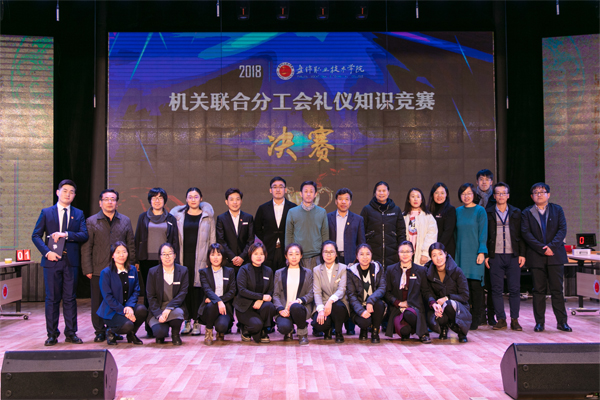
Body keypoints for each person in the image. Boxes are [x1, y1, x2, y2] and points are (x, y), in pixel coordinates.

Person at [32, 179, 89, 346]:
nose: (68, 194)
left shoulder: (78, 213)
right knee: (52, 299)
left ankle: (71, 333)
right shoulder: (46, 212)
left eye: (71, 192)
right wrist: (47, 252)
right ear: (58, 192)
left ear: (74, 195)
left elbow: (84, 235)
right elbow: (36, 235)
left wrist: (66, 234)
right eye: (65, 191)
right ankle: (52, 334)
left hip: (71, 262)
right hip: (51, 262)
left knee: (70, 298)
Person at [82, 189, 136, 343]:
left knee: (119, 300)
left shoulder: (125, 220)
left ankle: (114, 329)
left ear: (117, 203)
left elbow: (131, 244)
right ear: (100, 203)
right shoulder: (91, 221)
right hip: (98, 269)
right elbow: (86, 247)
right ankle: (99, 331)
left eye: (113, 199)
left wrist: (131, 265)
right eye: (106, 199)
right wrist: (87, 269)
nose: (110, 202)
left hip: (120, 269)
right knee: (98, 301)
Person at [521, 182, 572, 333]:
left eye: (542, 192)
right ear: (532, 196)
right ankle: (539, 323)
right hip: (536, 256)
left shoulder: (557, 209)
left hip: (555, 255)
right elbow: (526, 233)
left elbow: (562, 230)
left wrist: (552, 247)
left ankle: (562, 322)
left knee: (557, 290)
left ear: (548, 195)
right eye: (536, 192)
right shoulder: (527, 212)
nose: (539, 195)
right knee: (538, 291)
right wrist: (542, 249)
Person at [171, 187, 216, 336]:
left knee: (198, 290)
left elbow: (212, 239)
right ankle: (187, 321)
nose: (193, 199)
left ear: (201, 199)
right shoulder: (178, 217)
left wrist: (211, 257)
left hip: (201, 257)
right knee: (185, 289)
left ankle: (197, 321)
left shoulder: (207, 217)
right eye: (190, 197)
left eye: (196, 197)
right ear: (186, 199)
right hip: (183, 257)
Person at [134, 187, 179, 336]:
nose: (157, 200)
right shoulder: (143, 217)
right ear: (150, 200)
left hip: (165, 261)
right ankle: (150, 327)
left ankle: (164, 323)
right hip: (146, 261)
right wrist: (136, 260)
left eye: (160, 197)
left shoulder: (170, 219)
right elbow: (137, 239)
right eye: (154, 198)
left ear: (164, 200)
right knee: (149, 295)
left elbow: (174, 241)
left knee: (164, 294)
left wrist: (175, 259)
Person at [485, 182, 526, 331]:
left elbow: (521, 234)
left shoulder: (516, 212)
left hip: (513, 255)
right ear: (494, 196)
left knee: (514, 289)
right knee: (496, 289)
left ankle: (515, 319)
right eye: (498, 193)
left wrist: (522, 254)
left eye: (504, 193)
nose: (501, 196)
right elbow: (485, 235)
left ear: (508, 195)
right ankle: (501, 319)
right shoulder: (488, 212)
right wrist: (486, 255)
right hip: (495, 255)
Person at [97, 242, 148, 345]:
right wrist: (124, 311)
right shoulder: (106, 273)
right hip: (111, 311)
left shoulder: (132, 270)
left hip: (127, 307)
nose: (121, 255)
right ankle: (111, 331)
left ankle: (131, 334)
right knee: (128, 325)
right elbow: (108, 297)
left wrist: (129, 306)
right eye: (118, 252)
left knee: (142, 310)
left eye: (124, 252)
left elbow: (136, 290)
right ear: (112, 255)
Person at [384, 241, 432, 343]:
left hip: (414, 308)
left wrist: (432, 302)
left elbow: (426, 291)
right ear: (398, 253)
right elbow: (386, 293)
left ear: (412, 253)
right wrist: (399, 303)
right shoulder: (390, 270)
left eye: (408, 251)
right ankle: (409, 328)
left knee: (409, 314)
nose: (404, 254)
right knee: (404, 332)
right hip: (398, 309)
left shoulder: (421, 270)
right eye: (402, 251)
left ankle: (423, 333)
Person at [455, 183, 488, 330]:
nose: (466, 196)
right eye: (463, 194)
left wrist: (482, 252)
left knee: (475, 287)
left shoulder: (480, 211)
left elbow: (483, 232)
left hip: (475, 254)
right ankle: (464, 317)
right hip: (461, 254)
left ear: (474, 194)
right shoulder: (457, 211)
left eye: (469, 193)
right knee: (463, 287)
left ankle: (476, 318)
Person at [424, 242, 471, 343]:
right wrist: (434, 304)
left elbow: (465, 296)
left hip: (458, 307)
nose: (438, 258)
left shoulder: (457, 271)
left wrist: (447, 298)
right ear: (431, 258)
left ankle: (461, 331)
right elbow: (428, 293)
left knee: (449, 304)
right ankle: (443, 327)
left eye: (440, 254)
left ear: (445, 254)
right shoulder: (428, 273)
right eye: (434, 255)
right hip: (440, 307)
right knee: (433, 317)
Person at [233, 243, 277, 343]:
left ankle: (263, 330)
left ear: (265, 255)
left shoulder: (268, 271)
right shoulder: (244, 269)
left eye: (261, 254)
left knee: (269, 306)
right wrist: (261, 297)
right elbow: (242, 290)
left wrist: (261, 300)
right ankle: (245, 328)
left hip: (261, 306)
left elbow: (270, 290)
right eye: (256, 253)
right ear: (250, 255)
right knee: (256, 325)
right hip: (245, 307)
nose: (259, 256)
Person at [146, 242, 188, 345]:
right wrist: (158, 314)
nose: (167, 257)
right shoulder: (152, 272)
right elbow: (151, 296)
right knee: (159, 332)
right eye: (164, 254)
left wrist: (168, 308)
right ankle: (161, 332)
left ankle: (175, 334)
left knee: (178, 313)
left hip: (174, 309)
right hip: (158, 310)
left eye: (170, 253)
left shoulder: (183, 271)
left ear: (175, 255)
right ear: (160, 257)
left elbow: (182, 294)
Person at [273, 243, 314, 345]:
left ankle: (302, 333)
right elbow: (276, 294)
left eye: (297, 254)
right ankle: (289, 329)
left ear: (301, 256)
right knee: (284, 328)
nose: (294, 257)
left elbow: (311, 293)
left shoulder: (308, 272)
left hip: (300, 308)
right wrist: (280, 309)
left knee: (295, 307)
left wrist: (299, 301)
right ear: (286, 256)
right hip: (284, 310)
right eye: (291, 254)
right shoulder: (279, 273)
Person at [255, 177, 297, 272]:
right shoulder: (263, 208)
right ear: (270, 190)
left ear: (285, 190)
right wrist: (266, 238)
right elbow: (257, 227)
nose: (278, 190)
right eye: (275, 187)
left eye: (281, 187)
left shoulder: (293, 207)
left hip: (286, 249)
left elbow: (297, 228)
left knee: (285, 276)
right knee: (269, 275)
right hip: (269, 248)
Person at [360, 181, 406, 268]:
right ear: (375, 192)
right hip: (372, 253)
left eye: (384, 191)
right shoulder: (367, 209)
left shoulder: (396, 210)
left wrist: (402, 250)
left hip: (392, 254)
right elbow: (361, 232)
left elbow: (401, 232)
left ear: (388, 192)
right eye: (379, 191)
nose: (381, 193)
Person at [346, 244, 386, 343]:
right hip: (358, 306)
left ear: (371, 255)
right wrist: (361, 311)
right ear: (357, 256)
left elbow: (382, 287)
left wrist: (370, 301)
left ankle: (375, 331)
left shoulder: (377, 267)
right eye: (361, 254)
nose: (365, 257)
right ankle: (363, 329)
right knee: (364, 322)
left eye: (367, 254)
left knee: (379, 304)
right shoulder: (351, 271)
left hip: (373, 304)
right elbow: (351, 295)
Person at [311, 241, 349, 343]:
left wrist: (330, 301)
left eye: (332, 252)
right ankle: (327, 330)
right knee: (319, 324)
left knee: (337, 307)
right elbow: (317, 292)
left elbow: (342, 289)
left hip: (339, 303)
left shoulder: (343, 268)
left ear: (336, 254)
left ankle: (338, 332)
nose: (329, 255)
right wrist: (320, 309)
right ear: (322, 254)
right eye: (326, 252)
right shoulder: (316, 270)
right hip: (323, 303)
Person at [285, 181, 329, 268]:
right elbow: (288, 234)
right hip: (297, 256)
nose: (308, 194)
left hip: (317, 256)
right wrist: (287, 255)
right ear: (301, 194)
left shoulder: (322, 212)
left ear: (315, 194)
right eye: (305, 191)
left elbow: (325, 235)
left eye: (311, 191)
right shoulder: (292, 212)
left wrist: (325, 254)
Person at [198, 244, 236, 345]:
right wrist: (218, 301)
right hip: (209, 308)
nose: (215, 257)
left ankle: (220, 331)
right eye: (212, 254)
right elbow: (207, 290)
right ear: (209, 257)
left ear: (223, 256)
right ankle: (209, 330)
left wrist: (219, 300)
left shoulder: (230, 271)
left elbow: (232, 291)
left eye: (218, 254)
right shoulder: (203, 272)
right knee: (212, 305)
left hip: (225, 308)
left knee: (222, 326)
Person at [216, 188, 255, 276]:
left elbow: (251, 240)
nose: (235, 202)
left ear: (241, 201)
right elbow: (221, 240)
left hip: (245, 261)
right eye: (231, 199)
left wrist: (242, 257)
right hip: (228, 261)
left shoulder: (248, 218)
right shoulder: (221, 218)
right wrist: (233, 257)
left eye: (237, 199)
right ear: (226, 202)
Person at [476, 169, 496, 325]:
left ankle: (491, 315)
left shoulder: (496, 199)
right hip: (475, 245)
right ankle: (478, 315)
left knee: (491, 284)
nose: (484, 182)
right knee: (476, 284)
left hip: (492, 246)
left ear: (491, 182)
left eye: (487, 179)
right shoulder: (471, 197)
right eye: (481, 179)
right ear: (477, 182)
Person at [327, 188, 365, 266]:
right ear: (336, 201)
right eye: (340, 199)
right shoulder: (328, 217)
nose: (343, 202)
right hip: (332, 257)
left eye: (346, 199)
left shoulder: (358, 219)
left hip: (351, 259)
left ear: (350, 202)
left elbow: (361, 243)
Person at [403, 188, 438, 265]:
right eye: (413, 196)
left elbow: (431, 236)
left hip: (421, 255)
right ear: (409, 200)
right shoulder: (403, 217)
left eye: (418, 197)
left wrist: (425, 253)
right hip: (406, 254)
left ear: (422, 200)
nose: (415, 199)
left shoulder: (428, 217)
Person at [427, 182, 457, 258]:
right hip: (429, 249)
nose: (439, 196)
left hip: (445, 248)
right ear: (432, 194)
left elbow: (448, 232)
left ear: (446, 194)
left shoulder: (450, 210)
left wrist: (437, 247)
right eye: (436, 193)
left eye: (442, 193)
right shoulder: (427, 210)